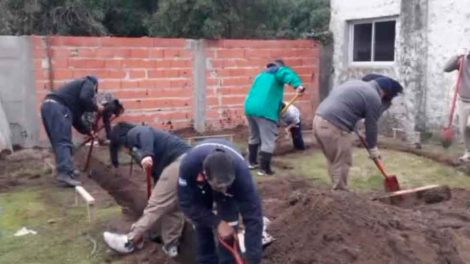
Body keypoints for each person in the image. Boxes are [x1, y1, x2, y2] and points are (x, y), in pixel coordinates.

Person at [102, 122, 191, 258]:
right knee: (174, 207)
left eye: (122, 148)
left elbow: (144, 132)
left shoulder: (136, 132)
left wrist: (146, 154)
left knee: (156, 205)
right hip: (191, 163)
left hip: (180, 163)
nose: (125, 151)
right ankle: (171, 246)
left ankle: (130, 241)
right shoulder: (160, 143)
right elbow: (160, 176)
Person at [178, 139, 263, 264]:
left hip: (230, 177)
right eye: (221, 187)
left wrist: (253, 259)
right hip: (200, 183)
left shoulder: (242, 174)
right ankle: (206, 260)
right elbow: (186, 203)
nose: (225, 190)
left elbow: (254, 218)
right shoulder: (189, 166)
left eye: (227, 185)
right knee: (202, 223)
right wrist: (216, 223)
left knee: (229, 221)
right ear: (206, 176)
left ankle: (228, 260)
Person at [313, 76, 403, 190]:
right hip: (334, 125)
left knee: (334, 160)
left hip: (318, 121)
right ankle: (341, 196)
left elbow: (347, 106)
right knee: (342, 161)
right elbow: (371, 125)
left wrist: (355, 127)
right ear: (385, 92)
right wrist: (373, 148)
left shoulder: (355, 84)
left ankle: (335, 194)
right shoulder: (373, 96)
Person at [244, 59, 305, 175]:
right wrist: (298, 85)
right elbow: (287, 73)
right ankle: (264, 169)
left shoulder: (260, 76)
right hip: (265, 110)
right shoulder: (278, 71)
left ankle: (251, 163)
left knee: (254, 136)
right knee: (268, 140)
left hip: (250, 108)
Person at [40, 76, 103, 187]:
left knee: (58, 141)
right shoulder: (89, 82)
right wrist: (96, 107)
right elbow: (85, 98)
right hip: (57, 108)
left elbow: (76, 120)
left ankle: (67, 169)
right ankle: (64, 174)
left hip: (48, 106)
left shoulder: (72, 99)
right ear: (95, 85)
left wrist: (88, 131)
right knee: (63, 142)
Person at [444, 51, 470, 162]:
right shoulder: (463, 60)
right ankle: (468, 153)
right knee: (464, 129)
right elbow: (446, 68)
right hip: (463, 100)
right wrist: (457, 56)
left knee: (469, 126)